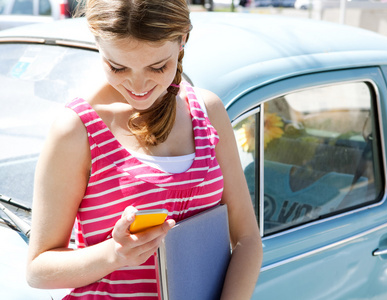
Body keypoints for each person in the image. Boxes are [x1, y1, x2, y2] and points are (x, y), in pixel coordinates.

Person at [26, 0, 263, 299]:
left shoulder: (208, 111)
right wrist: (115, 254)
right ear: (98, 44)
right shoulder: (77, 130)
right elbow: (37, 270)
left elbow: (248, 240)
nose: (139, 86)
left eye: (157, 66)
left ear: (183, 39)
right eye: (117, 66)